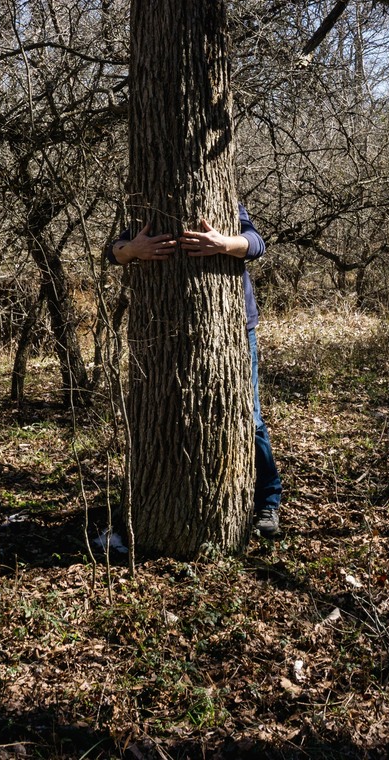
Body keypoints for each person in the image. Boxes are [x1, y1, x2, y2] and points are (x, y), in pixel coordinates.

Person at [108, 204, 283, 538]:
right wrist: (131, 249)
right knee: (166, 416)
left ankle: (267, 502)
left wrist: (223, 244)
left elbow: (256, 243)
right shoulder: (146, 205)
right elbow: (113, 253)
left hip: (232, 327)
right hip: (161, 332)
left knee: (250, 417)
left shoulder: (229, 203)